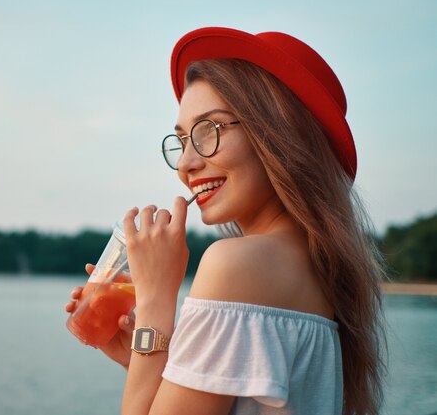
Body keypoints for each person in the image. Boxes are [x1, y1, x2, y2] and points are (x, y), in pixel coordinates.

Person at [65, 27, 386, 415]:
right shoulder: (320, 269)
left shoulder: (236, 264)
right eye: (181, 140)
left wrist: (155, 300)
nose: (186, 164)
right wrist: (138, 354)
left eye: (208, 131)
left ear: (279, 135)